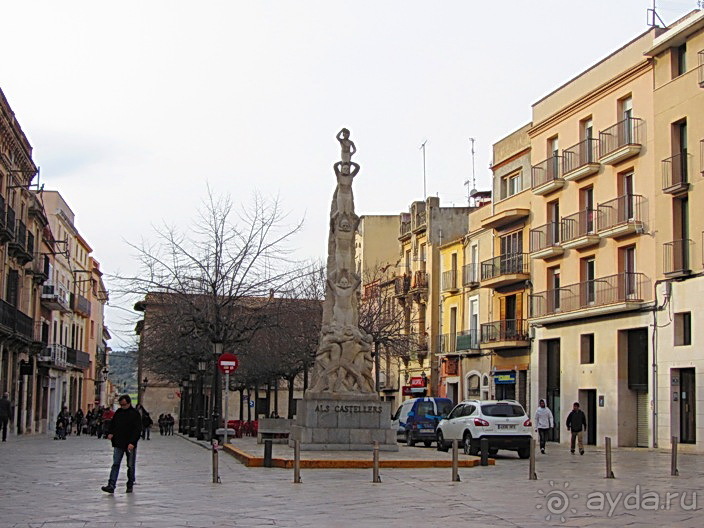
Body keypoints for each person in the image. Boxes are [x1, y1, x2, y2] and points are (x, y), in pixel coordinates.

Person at [102, 395, 142, 494]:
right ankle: (111, 485)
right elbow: (113, 425)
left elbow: (137, 430)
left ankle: (130, 484)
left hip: (130, 444)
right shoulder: (118, 413)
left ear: (128, 403)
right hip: (118, 443)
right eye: (121, 405)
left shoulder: (135, 414)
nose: (122, 406)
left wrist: (133, 442)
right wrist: (110, 433)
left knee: (130, 465)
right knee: (115, 464)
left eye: (124, 404)